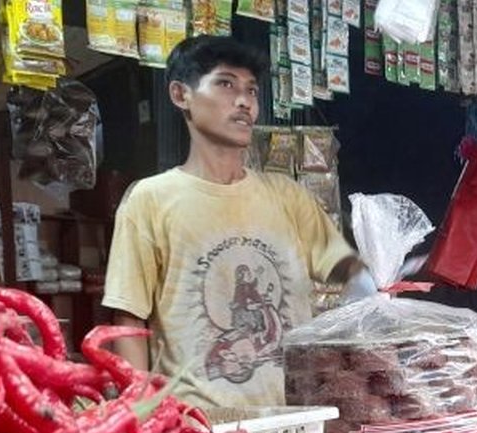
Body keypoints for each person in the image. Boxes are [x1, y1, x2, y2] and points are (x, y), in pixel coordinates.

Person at [102, 35, 374, 408]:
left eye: (252, 90)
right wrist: (140, 414)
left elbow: (348, 273)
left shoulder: (287, 195)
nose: (245, 101)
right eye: (226, 84)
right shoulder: (150, 200)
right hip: (196, 426)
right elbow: (128, 320)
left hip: (291, 419)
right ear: (181, 95)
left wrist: (384, 276)